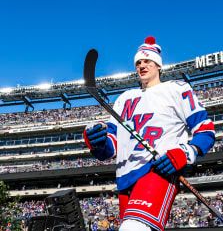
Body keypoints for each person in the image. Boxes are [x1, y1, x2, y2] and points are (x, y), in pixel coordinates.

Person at [83, 36, 215, 231]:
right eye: (138, 62)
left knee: (133, 228)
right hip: (125, 178)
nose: (142, 65)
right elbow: (111, 148)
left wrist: (185, 153)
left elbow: (205, 130)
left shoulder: (177, 89)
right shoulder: (124, 99)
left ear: (158, 65)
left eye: (147, 61)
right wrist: (98, 142)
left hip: (157, 170)